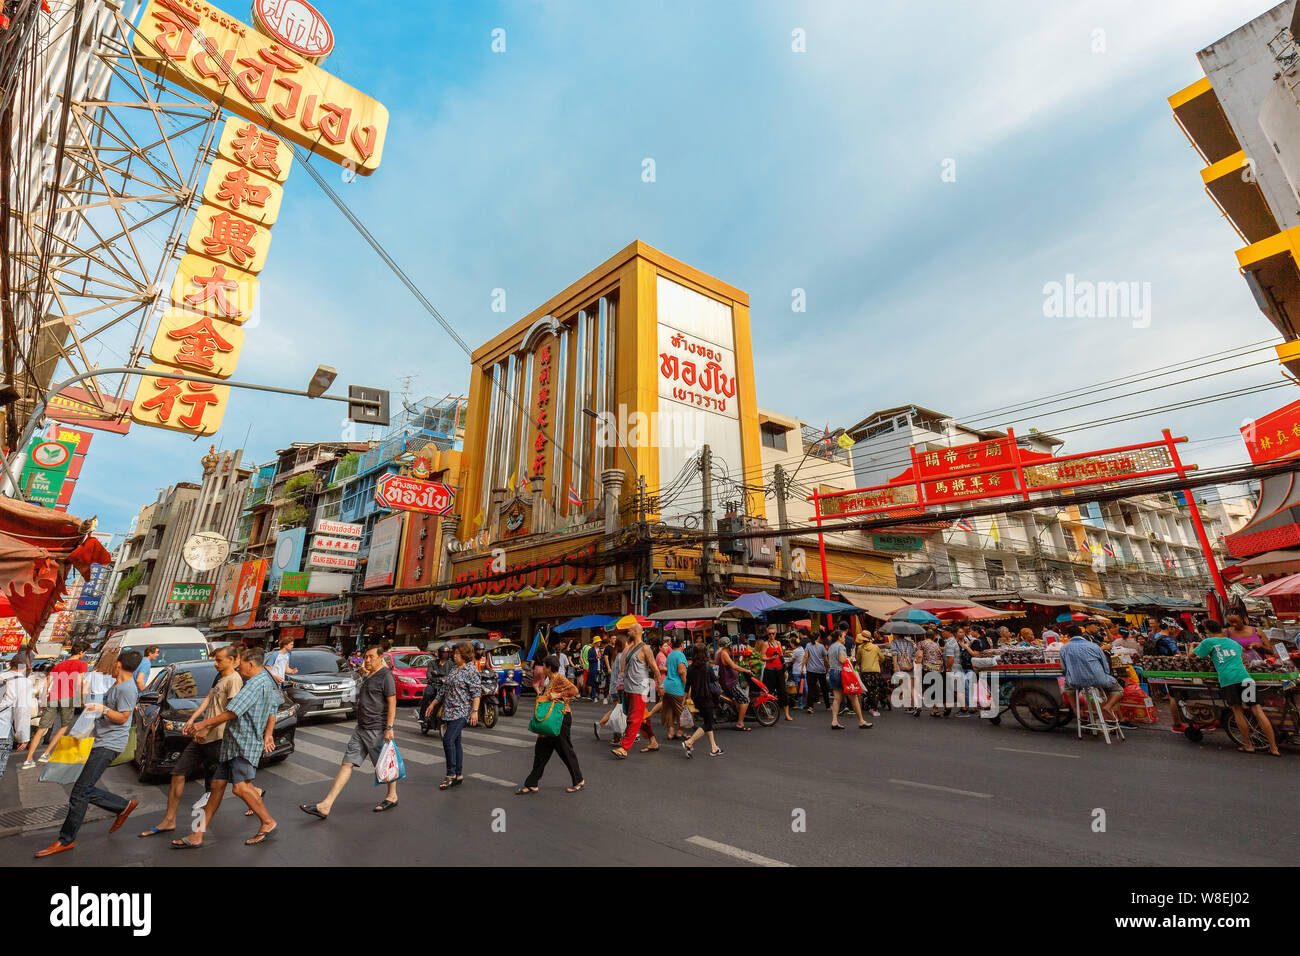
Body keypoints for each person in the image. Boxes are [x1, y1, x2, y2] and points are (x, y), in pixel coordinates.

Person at [34, 650, 142, 858]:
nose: (108, 666)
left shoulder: (128, 689)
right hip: (99, 740)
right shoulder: (117, 685)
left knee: (80, 792)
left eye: (111, 663)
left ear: (118, 665)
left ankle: (66, 840)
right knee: (83, 789)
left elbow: (122, 718)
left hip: (110, 745)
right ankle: (123, 805)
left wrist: (102, 708)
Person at [176, 647, 278, 848]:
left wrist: (204, 724)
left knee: (241, 788)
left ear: (250, 664)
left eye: (242, 664)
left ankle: (268, 822)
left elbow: (233, 711)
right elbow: (273, 708)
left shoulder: (255, 684)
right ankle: (197, 834)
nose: (239, 667)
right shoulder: (266, 680)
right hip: (233, 743)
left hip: (243, 742)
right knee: (216, 787)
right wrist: (268, 734)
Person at [139, 643, 244, 838]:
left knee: (223, 786)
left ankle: (260, 815)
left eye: (219, 660)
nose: (215, 663)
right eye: (215, 660)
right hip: (202, 737)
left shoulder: (234, 681)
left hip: (218, 739)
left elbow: (231, 713)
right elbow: (208, 701)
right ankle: (169, 820)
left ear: (232, 660)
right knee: (178, 773)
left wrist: (207, 727)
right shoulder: (220, 677)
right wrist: (193, 719)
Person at [299, 645, 399, 819]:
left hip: (377, 728)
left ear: (380, 657)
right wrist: (364, 674)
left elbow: (392, 702)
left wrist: (389, 728)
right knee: (347, 763)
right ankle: (326, 804)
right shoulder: (369, 674)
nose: (366, 660)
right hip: (361, 728)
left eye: (370, 657)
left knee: (384, 765)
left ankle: (392, 795)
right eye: (365, 657)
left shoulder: (386, 676)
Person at [1194, 620, 1280, 756]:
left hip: (1229, 680)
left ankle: (1249, 745)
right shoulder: (1233, 642)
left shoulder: (1208, 642)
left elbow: (1193, 656)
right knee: (1258, 711)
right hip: (1245, 677)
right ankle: (1274, 748)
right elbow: (1240, 656)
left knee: (1237, 711)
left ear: (1207, 631)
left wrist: (1193, 645)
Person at [515, 655, 583, 794]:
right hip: (550, 720)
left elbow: (574, 690)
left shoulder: (559, 677)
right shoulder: (549, 679)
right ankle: (532, 783)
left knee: (565, 750)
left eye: (544, 666)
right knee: (541, 751)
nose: (543, 669)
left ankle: (578, 780)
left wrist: (557, 695)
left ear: (549, 667)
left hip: (561, 718)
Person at [23, 639, 89, 769]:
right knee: (64, 726)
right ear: (81, 652)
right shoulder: (81, 664)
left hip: (53, 696)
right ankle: (46, 754)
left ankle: (28, 760)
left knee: (42, 728)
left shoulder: (59, 665)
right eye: (84, 653)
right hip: (68, 697)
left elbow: (48, 681)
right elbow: (79, 683)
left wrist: (43, 700)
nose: (84, 655)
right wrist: (82, 700)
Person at [435, 641, 481, 789]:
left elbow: (476, 693)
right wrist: (435, 703)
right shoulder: (454, 668)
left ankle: (451, 774)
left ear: (464, 655)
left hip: (462, 711)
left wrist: (474, 712)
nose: (454, 656)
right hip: (449, 710)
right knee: (455, 742)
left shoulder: (471, 670)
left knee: (448, 739)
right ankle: (459, 774)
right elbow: (445, 689)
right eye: (454, 653)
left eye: (457, 654)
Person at [1059, 624, 1124, 725]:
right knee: (1118, 689)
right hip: (1098, 679)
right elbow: (1105, 665)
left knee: (1068, 689)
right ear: (1081, 633)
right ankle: (1108, 706)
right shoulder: (1094, 646)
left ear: (1068, 636)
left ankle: (1077, 711)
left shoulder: (1064, 648)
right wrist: (1104, 676)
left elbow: (1064, 668)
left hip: (1076, 681)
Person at [611, 623, 660, 757]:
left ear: (638, 631)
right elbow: (622, 670)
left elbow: (655, 668)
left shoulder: (645, 649)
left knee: (634, 719)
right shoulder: (627, 650)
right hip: (628, 688)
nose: (628, 630)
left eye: (631, 629)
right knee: (642, 717)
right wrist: (620, 687)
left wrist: (660, 686)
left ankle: (624, 748)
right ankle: (653, 741)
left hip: (640, 689)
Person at [682, 644, 723, 758]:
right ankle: (689, 742)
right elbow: (715, 680)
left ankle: (714, 748)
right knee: (708, 723)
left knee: (707, 722)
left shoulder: (690, 667)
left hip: (696, 698)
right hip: (707, 698)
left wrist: (684, 699)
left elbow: (687, 685)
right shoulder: (707, 666)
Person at [827, 629, 871, 730]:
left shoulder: (831, 646)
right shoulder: (840, 646)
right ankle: (861, 721)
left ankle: (834, 721)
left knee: (837, 698)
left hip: (833, 672)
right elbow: (842, 660)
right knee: (854, 698)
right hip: (842, 673)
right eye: (843, 636)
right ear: (839, 637)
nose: (845, 638)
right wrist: (849, 659)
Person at [712, 637, 750, 733]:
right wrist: (746, 670)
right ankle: (740, 723)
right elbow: (733, 666)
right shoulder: (724, 654)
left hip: (725, 682)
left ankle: (738, 717)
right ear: (727, 645)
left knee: (737, 700)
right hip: (730, 683)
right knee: (745, 699)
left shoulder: (718, 654)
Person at [760, 625, 792, 722]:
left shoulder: (778, 643)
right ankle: (767, 712)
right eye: (769, 634)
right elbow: (762, 657)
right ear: (767, 634)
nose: (771, 635)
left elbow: (781, 656)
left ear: (775, 634)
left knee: (783, 692)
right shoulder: (765, 644)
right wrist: (770, 658)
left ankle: (787, 714)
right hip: (770, 671)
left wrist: (785, 669)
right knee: (768, 692)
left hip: (779, 670)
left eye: (773, 634)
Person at [660, 634, 689, 739]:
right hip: (677, 687)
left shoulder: (670, 654)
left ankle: (670, 731)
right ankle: (680, 731)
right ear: (682, 644)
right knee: (682, 710)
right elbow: (682, 672)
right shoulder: (680, 655)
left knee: (669, 710)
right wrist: (687, 685)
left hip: (667, 685)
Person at [856, 632, 884, 717]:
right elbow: (882, 658)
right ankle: (874, 709)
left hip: (865, 671)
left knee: (868, 690)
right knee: (875, 690)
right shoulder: (875, 647)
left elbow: (858, 659)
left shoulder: (860, 648)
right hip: (875, 671)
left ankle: (870, 706)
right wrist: (877, 660)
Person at [803, 631, 830, 714]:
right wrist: (828, 667)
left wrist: (802, 667)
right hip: (821, 670)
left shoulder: (808, 645)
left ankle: (810, 707)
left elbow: (806, 656)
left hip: (811, 670)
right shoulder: (821, 647)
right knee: (824, 688)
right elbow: (825, 659)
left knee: (811, 688)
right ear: (818, 637)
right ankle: (828, 706)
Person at [790, 636, 807, 710]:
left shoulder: (795, 651)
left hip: (797, 671)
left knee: (798, 688)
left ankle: (800, 704)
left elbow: (792, 661)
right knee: (805, 687)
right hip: (803, 670)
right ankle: (809, 703)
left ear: (793, 644)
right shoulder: (802, 649)